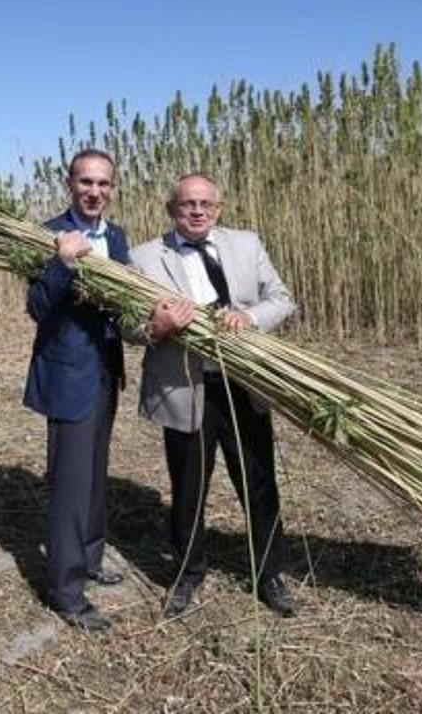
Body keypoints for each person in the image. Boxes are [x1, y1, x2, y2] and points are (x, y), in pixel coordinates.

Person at [128, 173, 298, 618]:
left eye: (206, 204)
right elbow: (126, 325)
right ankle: (187, 573)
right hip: (185, 387)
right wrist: (157, 328)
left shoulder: (246, 244)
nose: (197, 211)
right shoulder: (144, 257)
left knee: (258, 483)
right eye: (187, 204)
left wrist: (250, 316)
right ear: (172, 209)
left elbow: (282, 299)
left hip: (243, 384)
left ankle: (269, 573)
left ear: (218, 209)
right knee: (188, 488)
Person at [23, 149, 129, 632]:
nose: (95, 192)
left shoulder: (118, 237)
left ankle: (90, 557)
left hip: (107, 371)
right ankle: (66, 592)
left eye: (104, 184)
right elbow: (38, 306)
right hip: (70, 375)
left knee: (94, 474)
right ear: (70, 184)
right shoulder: (47, 235)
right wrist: (62, 263)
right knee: (69, 483)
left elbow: (124, 305)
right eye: (86, 182)